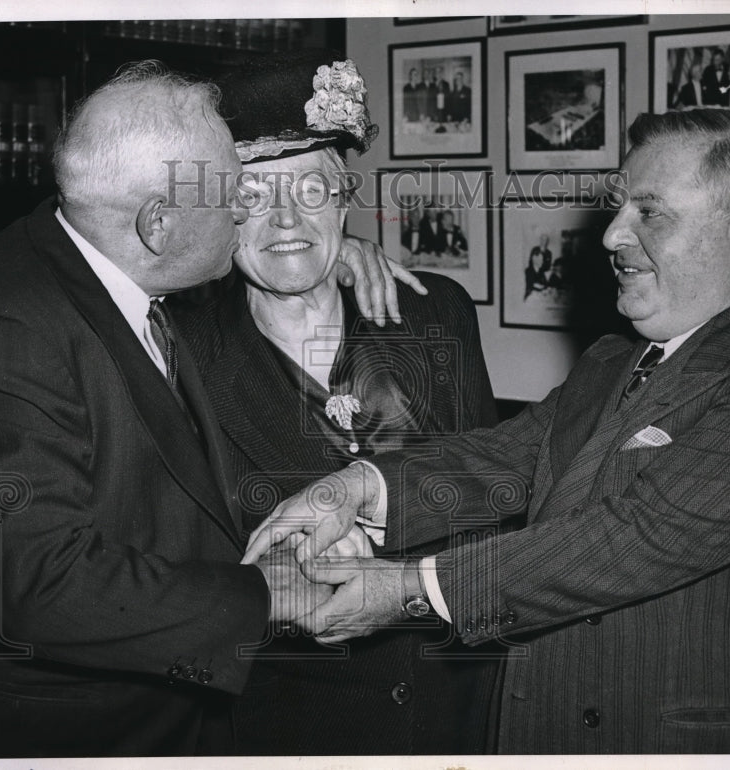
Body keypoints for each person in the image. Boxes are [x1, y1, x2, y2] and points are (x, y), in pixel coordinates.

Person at [244, 109, 730, 754]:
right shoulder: (613, 360)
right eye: (619, 207)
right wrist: (351, 490)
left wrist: (405, 591)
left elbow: (633, 538)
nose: (614, 234)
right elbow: (501, 458)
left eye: (650, 213)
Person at [0, 60, 420, 759]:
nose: (246, 214)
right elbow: (39, 584)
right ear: (158, 223)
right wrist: (271, 594)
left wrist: (332, 252)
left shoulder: (94, 262)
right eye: (234, 196)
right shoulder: (7, 334)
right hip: (69, 735)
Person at [171, 51, 501, 756]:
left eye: (310, 190)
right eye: (251, 197)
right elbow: (168, 569)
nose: (285, 218)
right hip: (292, 720)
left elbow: (498, 491)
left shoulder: (434, 312)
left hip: (456, 703)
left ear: (345, 200)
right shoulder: (178, 357)